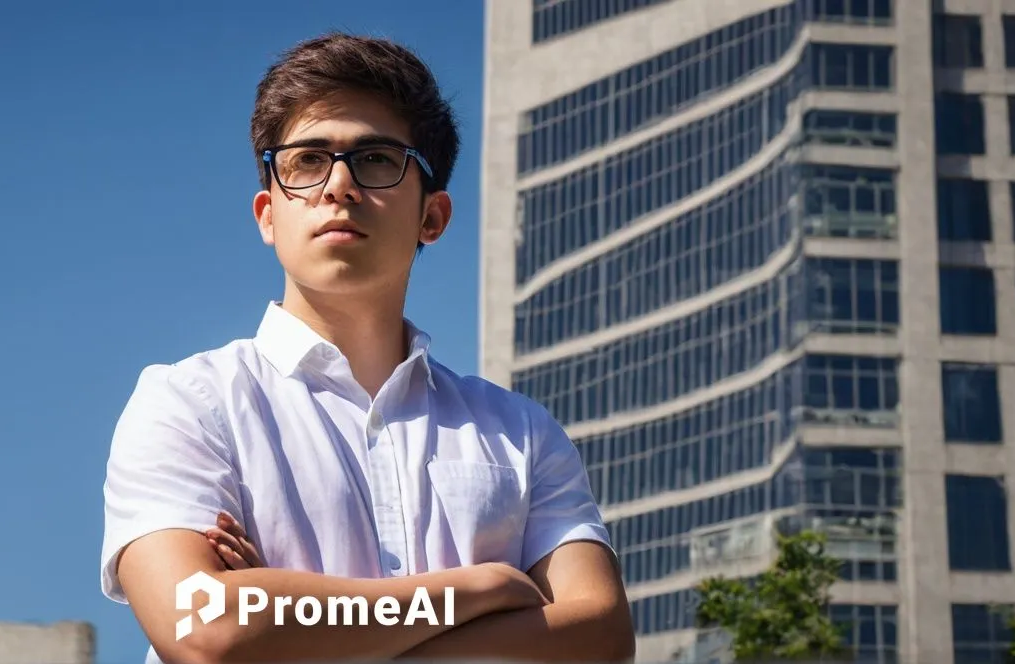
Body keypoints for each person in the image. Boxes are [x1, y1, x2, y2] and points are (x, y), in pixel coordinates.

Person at [100, 31, 634, 664]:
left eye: (377, 159)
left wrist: (295, 628)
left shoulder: (520, 434)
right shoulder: (188, 402)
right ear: (268, 214)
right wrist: (476, 589)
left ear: (432, 217)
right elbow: (203, 626)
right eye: (307, 160)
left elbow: (600, 637)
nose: (339, 186)